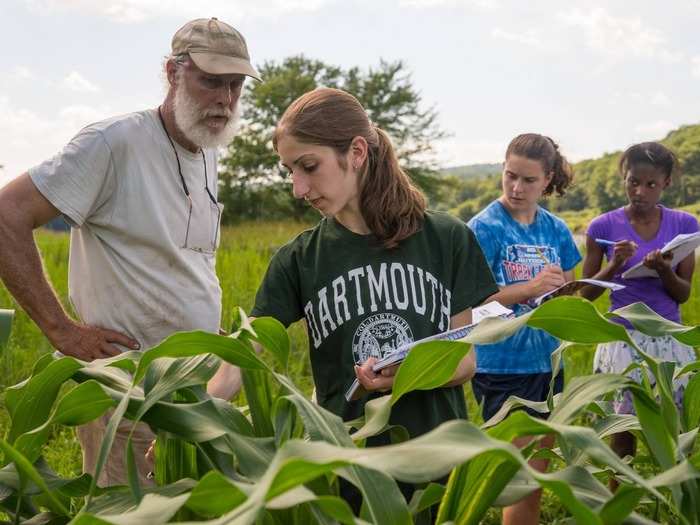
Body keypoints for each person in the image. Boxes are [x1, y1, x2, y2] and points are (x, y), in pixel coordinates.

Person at [0, 17, 260, 486]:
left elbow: (180, 252)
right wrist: (62, 331)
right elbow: (7, 214)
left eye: (235, 85)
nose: (224, 99)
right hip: (128, 393)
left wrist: (202, 326)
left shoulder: (207, 149)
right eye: (211, 81)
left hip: (194, 393)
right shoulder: (113, 144)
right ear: (173, 72)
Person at [249, 87, 498, 508]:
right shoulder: (298, 259)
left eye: (309, 166)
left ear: (357, 152)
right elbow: (244, 349)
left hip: (436, 466)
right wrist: (197, 414)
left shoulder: (447, 238)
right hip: (348, 471)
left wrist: (405, 376)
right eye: (289, 170)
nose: (298, 187)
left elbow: (464, 360)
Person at [467, 133, 580, 525]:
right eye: (510, 175)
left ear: (547, 179)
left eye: (528, 180)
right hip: (499, 365)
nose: (516, 187)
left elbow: (569, 292)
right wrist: (529, 290)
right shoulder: (484, 228)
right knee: (514, 475)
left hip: (547, 364)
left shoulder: (557, 230)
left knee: (536, 472)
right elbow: (473, 302)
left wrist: (568, 294)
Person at [581, 142, 698, 479]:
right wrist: (614, 265)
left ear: (666, 184)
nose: (640, 191)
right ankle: (622, 504)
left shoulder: (684, 224)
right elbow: (586, 294)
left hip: (668, 340)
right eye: (633, 182)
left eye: (650, 184)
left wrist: (663, 269)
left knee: (675, 435)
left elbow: (684, 294)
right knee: (623, 436)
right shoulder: (602, 227)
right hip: (623, 342)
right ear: (623, 178)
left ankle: (675, 499)